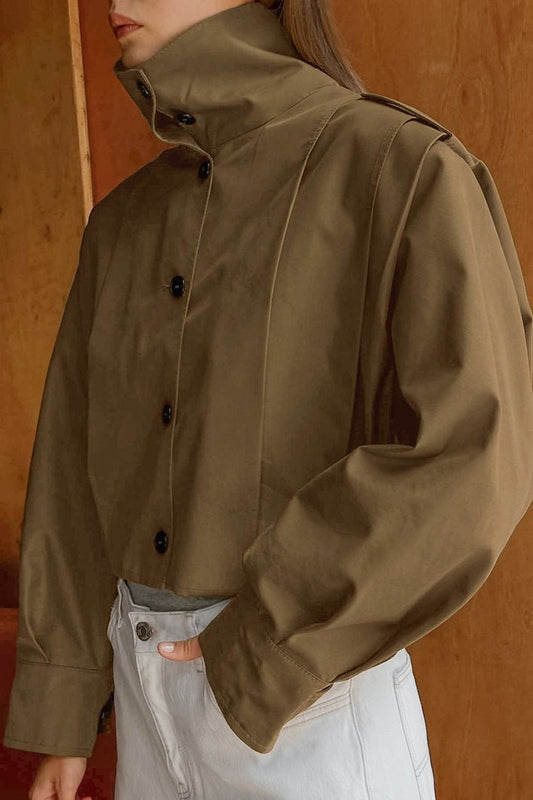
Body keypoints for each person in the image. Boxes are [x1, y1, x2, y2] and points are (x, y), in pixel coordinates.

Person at [4, 0, 533, 798]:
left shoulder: (399, 165)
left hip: (306, 707)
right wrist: (64, 702)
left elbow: (474, 452)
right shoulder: (120, 224)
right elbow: (71, 477)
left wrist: (263, 641)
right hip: (141, 694)